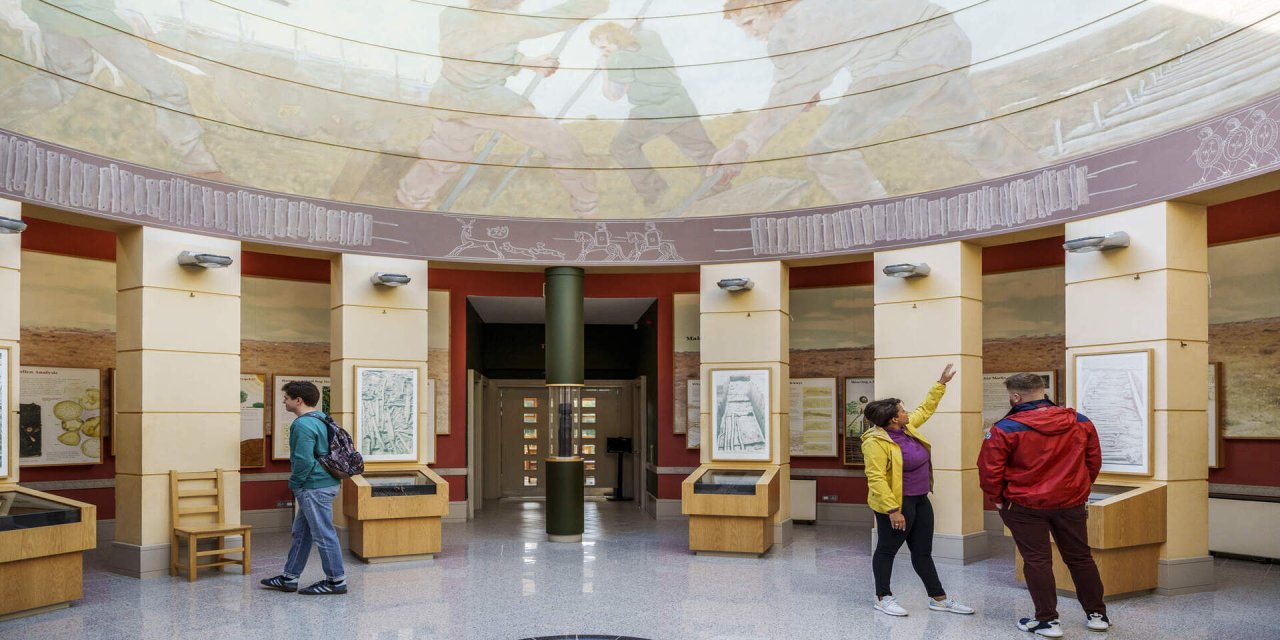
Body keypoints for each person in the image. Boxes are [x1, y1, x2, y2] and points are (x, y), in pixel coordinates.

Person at [712, 0, 1037, 202]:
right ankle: (1034, 181)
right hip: (943, 41)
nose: (752, 34)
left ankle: (878, 221)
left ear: (769, 5)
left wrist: (741, 146)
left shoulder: (794, 23)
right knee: (969, 135)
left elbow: (787, 93)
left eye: (751, 23)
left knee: (828, 149)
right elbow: (823, 61)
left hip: (904, 62)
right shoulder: (822, 8)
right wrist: (802, 86)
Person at [395, 0, 607, 216]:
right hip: (489, 103)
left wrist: (524, 61)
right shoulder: (509, 22)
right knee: (561, 144)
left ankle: (409, 199)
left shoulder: (451, 15)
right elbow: (559, 16)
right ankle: (587, 204)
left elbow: (478, 52)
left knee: (444, 154)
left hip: (449, 100)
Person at [978, 373, 1109, 637]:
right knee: (1081, 557)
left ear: (1016, 397)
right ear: (1042, 391)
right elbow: (1093, 461)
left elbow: (989, 470)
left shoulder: (1005, 428)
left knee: (1037, 561)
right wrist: (1080, 489)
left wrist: (999, 499)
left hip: (1024, 504)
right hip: (1070, 502)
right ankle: (1097, 615)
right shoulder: (1080, 421)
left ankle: (1048, 621)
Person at [861, 364, 974, 617]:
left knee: (922, 552)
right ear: (892, 418)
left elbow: (926, 408)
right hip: (896, 504)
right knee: (887, 550)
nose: (907, 412)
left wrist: (941, 383)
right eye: (902, 410)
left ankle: (939, 598)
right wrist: (893, 510)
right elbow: (876, 478)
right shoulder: (875, 442)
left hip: (921, 500)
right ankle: (883, 597)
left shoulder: (907, 429)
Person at [590, 22, 721, 210]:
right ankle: (720, 187)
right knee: (703, 150)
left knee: (622, 147)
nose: (603, 51)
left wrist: (604, 69)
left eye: (603, 47)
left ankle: (655, 192)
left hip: (650, 114)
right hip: (682, 107)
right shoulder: (650, 37)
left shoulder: (618, 59)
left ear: (614, 42)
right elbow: (638, 35)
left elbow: (614, 95)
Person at [261, 381, 347, 595]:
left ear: (298, 400)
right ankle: (290, 577)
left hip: (314, 487)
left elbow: (303, 461)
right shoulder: (321, 418)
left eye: (286, 398)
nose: (284, 401)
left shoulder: (302, 424)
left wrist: (294, 484)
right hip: (325, 483)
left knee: (324, 535)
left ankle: (336, 581)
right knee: (301, 533)